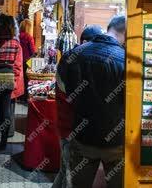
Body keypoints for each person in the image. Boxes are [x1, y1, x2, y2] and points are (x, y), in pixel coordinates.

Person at [61, 15, 126, 188]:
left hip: (82, 137)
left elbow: (64, 90)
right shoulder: (126, 60)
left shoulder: (73, 54)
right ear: (126, 32)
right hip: (116, 142)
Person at [53, 25, 104, 188]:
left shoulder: (74, 59)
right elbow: (71, 96)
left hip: (68, 126)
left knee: (65, 171)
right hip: (71, 128)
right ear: (86, 42)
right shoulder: (74, 62)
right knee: (70, 175)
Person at [0, 14, 23, 149]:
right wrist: (14, 79)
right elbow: (18, 66)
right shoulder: (15, 43)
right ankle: (4, 143)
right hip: (8, 78)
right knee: (6, 111)